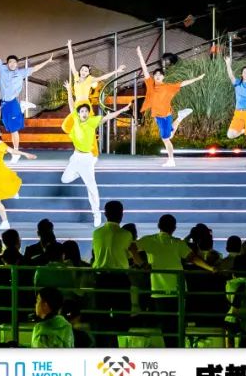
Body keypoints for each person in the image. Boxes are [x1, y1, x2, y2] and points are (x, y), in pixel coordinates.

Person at [129, 214, 218, 347]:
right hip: (178, 290)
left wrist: (141, 264)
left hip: (159, 291)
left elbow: (131, 247)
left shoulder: (149, 240)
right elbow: (193, 258)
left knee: (166, 329)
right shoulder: (177, 243)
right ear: (174, 228)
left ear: (158, 226)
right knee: (178, 327)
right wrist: (211, 268)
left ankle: (171, 352)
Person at [62, 89, 128, 226]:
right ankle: (80, 173)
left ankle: (96, 214)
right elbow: (71, 105)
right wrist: (69, 90)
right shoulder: (75, 119)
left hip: (87, 159)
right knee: (65, 179)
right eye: (82, 111)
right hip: (75, 157)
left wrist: (122, 110)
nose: (84, 113)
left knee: (91, 188)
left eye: (86, 111)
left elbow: (108, 117)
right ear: (78, 113)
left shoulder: (92, 121)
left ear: (89, 113)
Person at [136, 45, 205, 167]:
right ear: (154, 77)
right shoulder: (150, 84)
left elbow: (183, 83)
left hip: (165, 116)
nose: (157, 76)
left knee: (166, 139)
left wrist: (197, 79)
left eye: (160, 74)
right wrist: (140, 55)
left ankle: (171, 160)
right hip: (159, 116)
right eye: (156, 74)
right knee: (170, 135)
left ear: (163, 77)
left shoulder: (168, 87)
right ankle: (180, 117)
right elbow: (145, 69)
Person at [0, 35, 54, 161]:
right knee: (8, 126)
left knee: (14, 130)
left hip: (12, 102)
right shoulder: (2, 69)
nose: (12, 64)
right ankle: (22, 108)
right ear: (7, 64)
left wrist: (47, 61)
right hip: (4, 104)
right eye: (10, 62)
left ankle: (16, 152)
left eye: (14, 62)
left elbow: (35, 68)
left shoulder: (21, 72)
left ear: (17, 64)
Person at [91, 201, 134, 340]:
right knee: (122, 317)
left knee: (101, 317)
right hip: (119, 279)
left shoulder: (96, 233)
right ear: (121, 214)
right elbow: (130, 255)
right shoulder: (126, 235)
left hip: (101, 279)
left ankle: (102, 344)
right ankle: (118, 344)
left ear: (105, 214)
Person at [65, 39, 127, 106]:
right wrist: (70, 48)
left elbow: (103, 77)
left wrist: (117, 71)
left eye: (86, 71)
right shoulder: (76, 76)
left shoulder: (90, 79)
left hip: (85, 105)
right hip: (77, 104)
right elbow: (71, 63)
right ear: (80, 70)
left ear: (88, 73)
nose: (83, 72)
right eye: (82, 70)